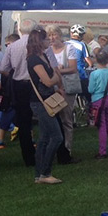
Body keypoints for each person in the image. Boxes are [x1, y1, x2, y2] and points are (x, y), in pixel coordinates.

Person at [1, 19, 48, 167]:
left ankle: (29, 157)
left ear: (19, 30)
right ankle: (51, 152)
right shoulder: (40, 45)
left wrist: (15, 74)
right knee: (47, 117)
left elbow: (3, 68)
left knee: (24, 122)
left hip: (20, 85)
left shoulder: (12, 46)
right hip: (39, 84)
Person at [26, 27, 64, 184]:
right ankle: (45, 172)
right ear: (39, 41)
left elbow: (51, 77)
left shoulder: (44, 56)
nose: (49, 40)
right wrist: (55, 78)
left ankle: (39, 174)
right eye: (46, 39)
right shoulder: (34, 60)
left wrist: (54, 78)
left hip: (47, 98)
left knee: (44, 138)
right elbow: (49, 80)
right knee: (57, 136)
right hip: (40, 102)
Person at [47, 25, 78, 164]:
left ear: (59, 35)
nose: (52, 38)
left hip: (66, 87)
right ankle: (55, 149)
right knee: (53, 119)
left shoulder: (69, 48)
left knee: (66, 119)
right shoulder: (47, 50)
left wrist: (58, 70)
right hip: (52, 87)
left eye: (54, 35)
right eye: (49, 36)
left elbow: (73, 68)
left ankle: (67, 149)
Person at [89, 50, 108, 159]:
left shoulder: (94, 74)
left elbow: (90, 89)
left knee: (101, 125)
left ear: (96, 60)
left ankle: (102, 151)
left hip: (97, 100)